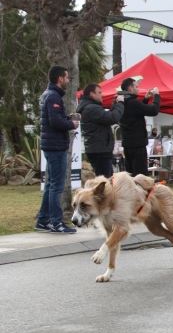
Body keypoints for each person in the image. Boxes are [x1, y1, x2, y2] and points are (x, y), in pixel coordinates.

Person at [35, 66, 80, 234]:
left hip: (51, 145)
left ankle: (43, 219)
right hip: (55, 146)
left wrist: (68, 118)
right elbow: (54, 122)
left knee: (50, 185)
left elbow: (52, 118)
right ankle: (56, 222)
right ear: (60, 79)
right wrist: (71, 124)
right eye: (67, 77)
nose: (68, 80)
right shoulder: (53, 96)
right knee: (56, 186)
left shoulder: (49, 95)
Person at [76, 84, 124, 177]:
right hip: (100, 150)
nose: (102, 95)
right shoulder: (91, 108)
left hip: (98, 149)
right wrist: (121, 103)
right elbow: (112, 118)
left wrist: (115, 105)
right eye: (99, 92)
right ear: (92, 94)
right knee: (105, 181)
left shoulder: (90, 107)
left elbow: (107, 117)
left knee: (105, 179)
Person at [118, 77, 160, 176]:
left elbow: (136, 113)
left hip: (128, 142)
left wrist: (145, 99)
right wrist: (157, 96)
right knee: (140, 174)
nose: (138, 89)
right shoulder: (132, 102)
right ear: (130, 89)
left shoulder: (121, 101)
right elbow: (153, 111)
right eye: (136, 87)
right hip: (137, 143)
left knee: (131, 173)